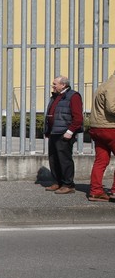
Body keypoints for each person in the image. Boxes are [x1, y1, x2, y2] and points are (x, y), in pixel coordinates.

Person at [43, 75, 83, 195]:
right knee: (54, 159)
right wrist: (48, 130)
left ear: (63, 85)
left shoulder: (73, 96)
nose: (53, 86)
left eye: (55, 84)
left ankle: (68, 184)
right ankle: (58, 181)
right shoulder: (56, 96)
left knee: (64, 159)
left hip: (64, 133)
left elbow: (78, 117)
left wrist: (70, 132)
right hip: (54, 132)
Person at [87, 72, 115, 202]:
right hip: (110, 127)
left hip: (97, 127)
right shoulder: (113, 86)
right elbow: (111, 108)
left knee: (101, 161)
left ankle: (95, 191)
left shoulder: (103, 85)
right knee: (101, 161)